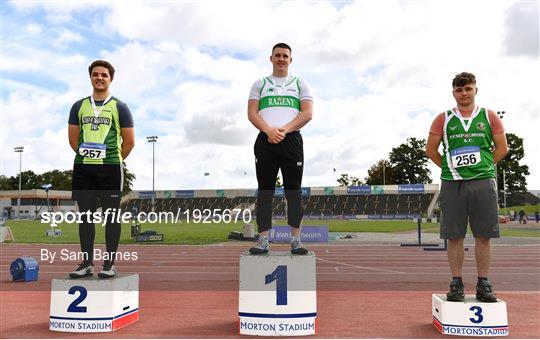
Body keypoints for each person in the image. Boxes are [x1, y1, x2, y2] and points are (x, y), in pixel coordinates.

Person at [426, 72, 508, 302]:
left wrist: (483, 166)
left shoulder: (489, 116)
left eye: (468, 89)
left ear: (475, 90)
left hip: (483, 182)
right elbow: (430, 150)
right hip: (453, 184)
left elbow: (502, 148)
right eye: (459, 90)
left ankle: (484, 283)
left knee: (483, 235)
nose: (464, 93)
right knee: (454, 236)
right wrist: (450, 168)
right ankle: (456, 283)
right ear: (453, 93)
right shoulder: (442, 119)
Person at [68, 60, 135, 278]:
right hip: (84, 169)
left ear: (110, 79)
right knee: (85, 217)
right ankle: (87, 263)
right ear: (90, 77)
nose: (99, 78)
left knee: (111, 217)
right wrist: (90, 157)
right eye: (95, 74)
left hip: (111, 169)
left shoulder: (120, 106)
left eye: (104, 75)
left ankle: (109, 264)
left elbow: (129, 142)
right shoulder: (78, 106)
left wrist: (112, 159)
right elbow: (73, 140)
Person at [247, 43, 313, 255]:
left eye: (285, 56)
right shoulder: (260, 84)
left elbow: (307, 114)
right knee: (265, 192)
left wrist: (283, 131)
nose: (281, 59)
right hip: (266, 141)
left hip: (291, 141)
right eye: (278, 55)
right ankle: (264, 241)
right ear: (271, 58)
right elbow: (252, 113)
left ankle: (296, 240)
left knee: (293, 192)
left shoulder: (301, 83)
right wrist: (269, 131)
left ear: (290, 60)